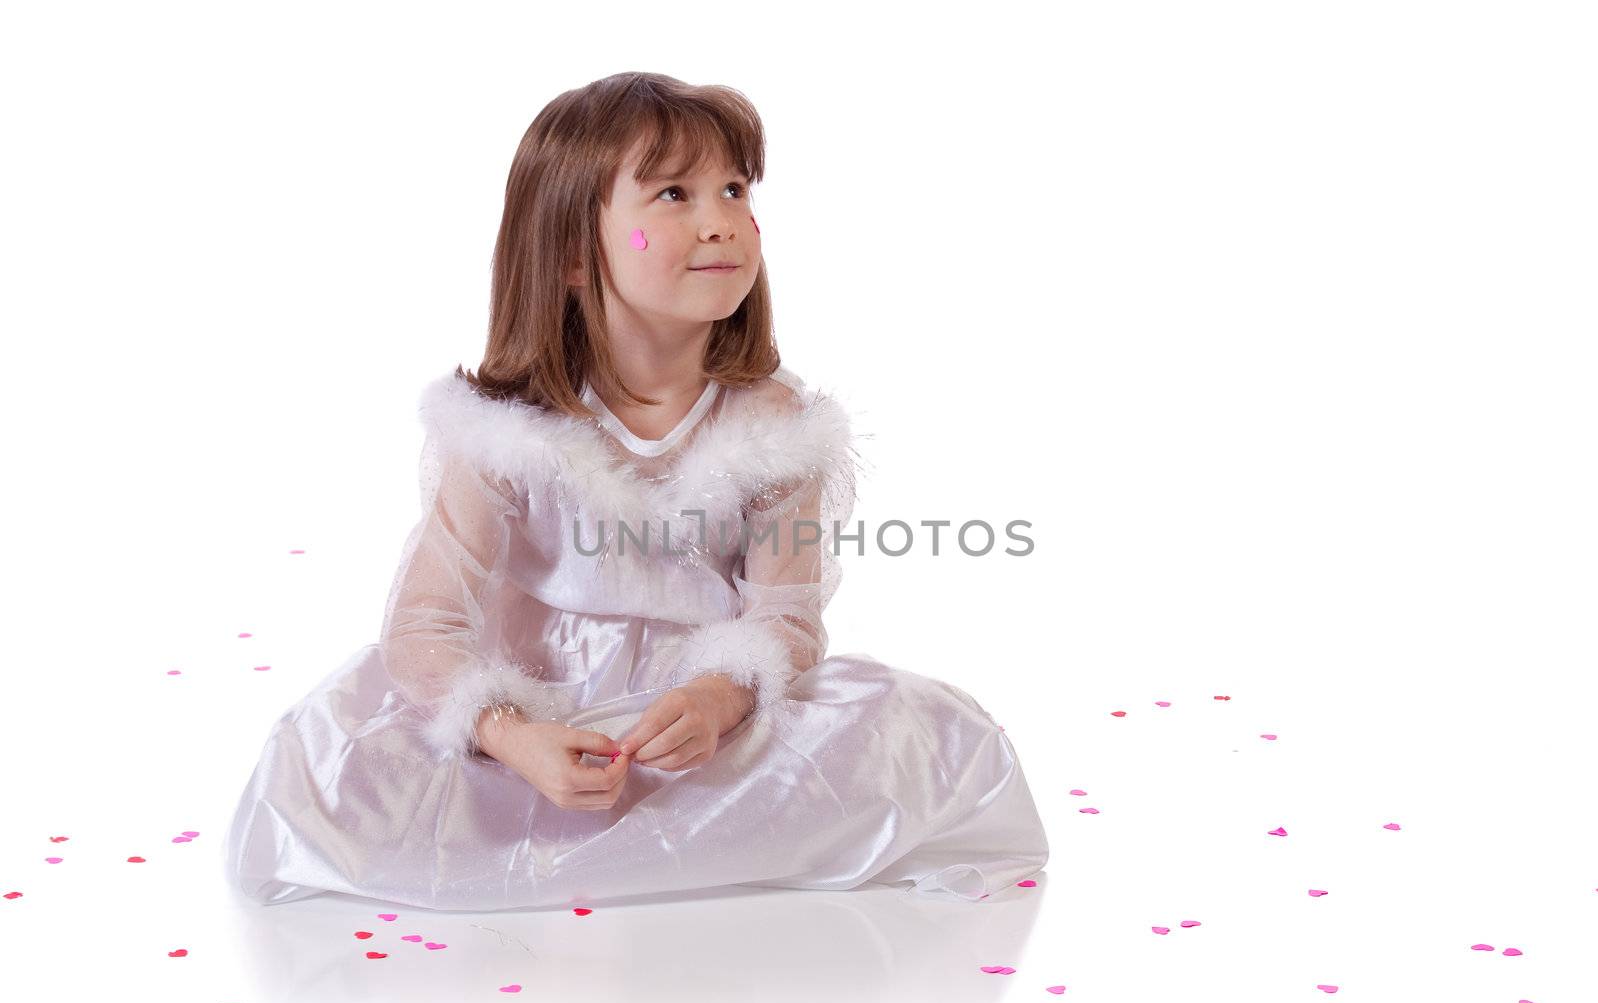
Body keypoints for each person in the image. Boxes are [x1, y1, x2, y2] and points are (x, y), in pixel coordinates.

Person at [224, 71, 1049, 910]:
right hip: (543, 712)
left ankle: (699, 822)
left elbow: (786, 617)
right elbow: (426, 622)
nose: (722, 217)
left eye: (733, 188)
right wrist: (511, 735)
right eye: (673, 194)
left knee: (919, 735)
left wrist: (719, 695)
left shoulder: (776, 427)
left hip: (695, 725)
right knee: (330, 763)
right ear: (575, 252)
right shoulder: (508, 432)